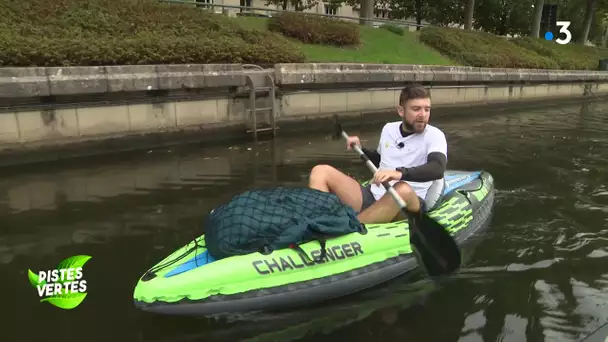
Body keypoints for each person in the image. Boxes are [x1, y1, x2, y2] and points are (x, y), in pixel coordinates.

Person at [307, 83, 448, 224]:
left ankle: (348, 229)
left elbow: (437, 168)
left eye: (427, 109)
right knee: (320, 171)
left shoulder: (435, 135)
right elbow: (381, 160)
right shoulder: (388, 129)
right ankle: (319, 223)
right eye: (416, 109)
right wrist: (362, 149)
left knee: (402, 188)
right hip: (373, 196)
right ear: (401, 111)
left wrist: (399, 173)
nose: (423, 115)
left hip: (406, 204)